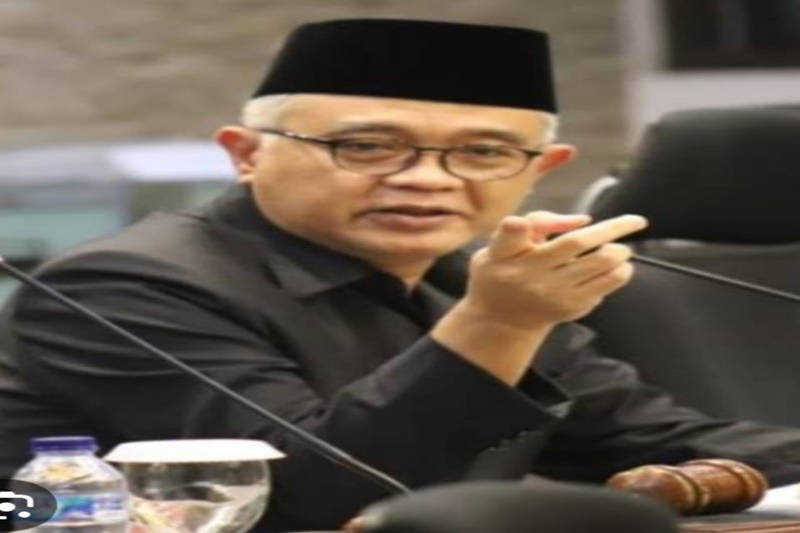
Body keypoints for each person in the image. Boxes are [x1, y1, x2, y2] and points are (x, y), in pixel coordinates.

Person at [2, 18, 800, 532]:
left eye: (484, 152)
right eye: (366, 146)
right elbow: (304, 499)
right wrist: (501, 321)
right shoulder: (123, 285)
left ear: (541, 169)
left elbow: (655, 438)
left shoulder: (457, 277)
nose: (427, 179)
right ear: (244, 154)